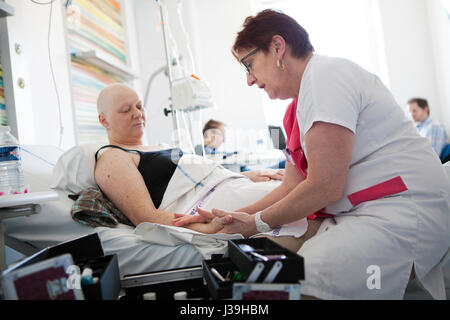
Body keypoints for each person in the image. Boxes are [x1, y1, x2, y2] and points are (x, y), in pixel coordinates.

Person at [174, 9, 450, 300]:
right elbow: (292, 185)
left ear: (278, 47)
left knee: (302, 287)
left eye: (249, 64)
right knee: (277, 278)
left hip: (400, 209)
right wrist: (240, 219)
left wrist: (255, 222)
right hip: (363, 210)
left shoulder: (325, 77)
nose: (250, 80)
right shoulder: (298, 106)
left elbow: (325, 185)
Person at [94, 83, 292, 239]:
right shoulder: (113, 157)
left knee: (292, 186)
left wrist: (244, 175)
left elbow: (196, 175)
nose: (137, 113)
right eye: (126, 110)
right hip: (204, 204)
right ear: (104, 120)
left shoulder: (156, 146)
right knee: (297, 197)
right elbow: (146, 218)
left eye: (139, 106)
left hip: (227, 184)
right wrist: (207, 227)